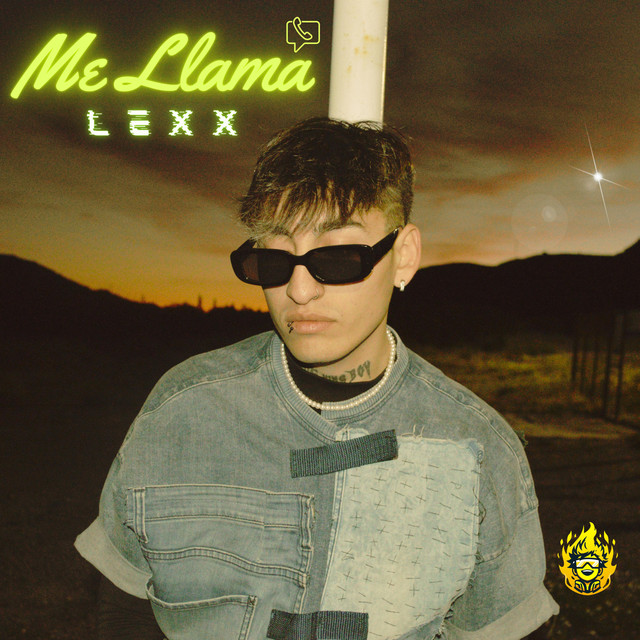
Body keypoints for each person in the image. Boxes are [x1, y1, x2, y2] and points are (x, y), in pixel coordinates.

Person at [75, 117, 559, 640]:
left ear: (404, 256)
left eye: (338, 257)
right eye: (275, 259)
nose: (300, 290)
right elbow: (124, 608)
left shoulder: (477, 448)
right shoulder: (182, 411)